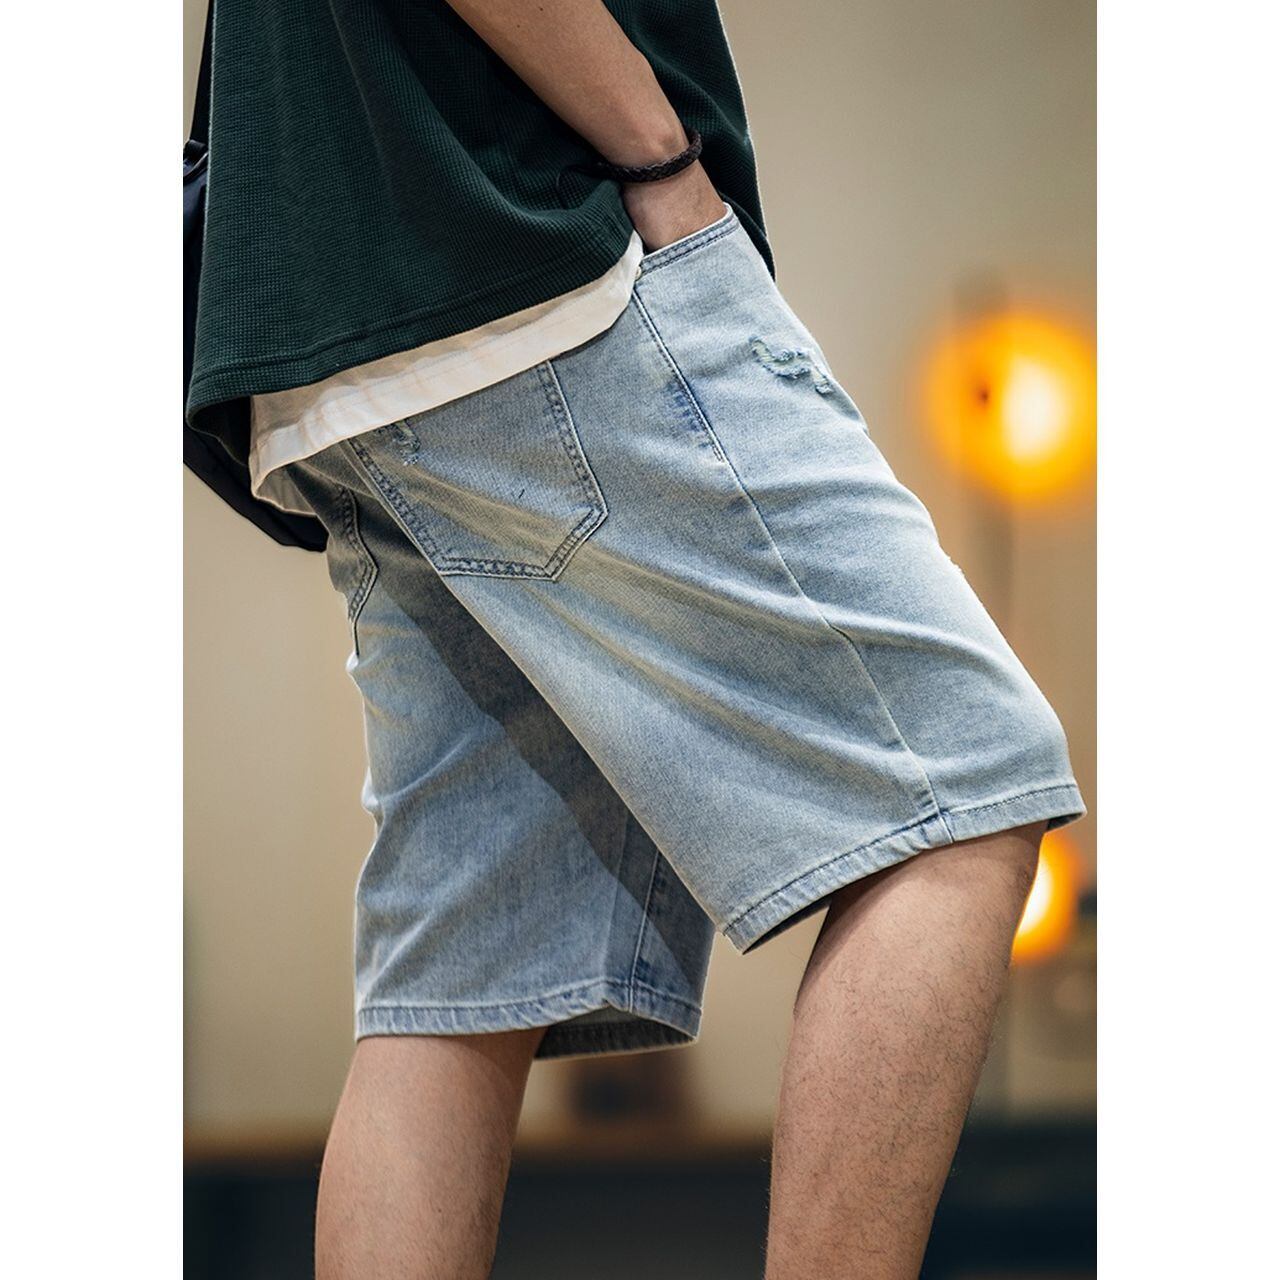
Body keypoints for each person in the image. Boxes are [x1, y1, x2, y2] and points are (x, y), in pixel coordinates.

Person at [186, 2, 1085, 1276]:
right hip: (531, 254)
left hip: (332, 324)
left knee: (464, 965)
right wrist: (657, 153)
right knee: (964, 783)